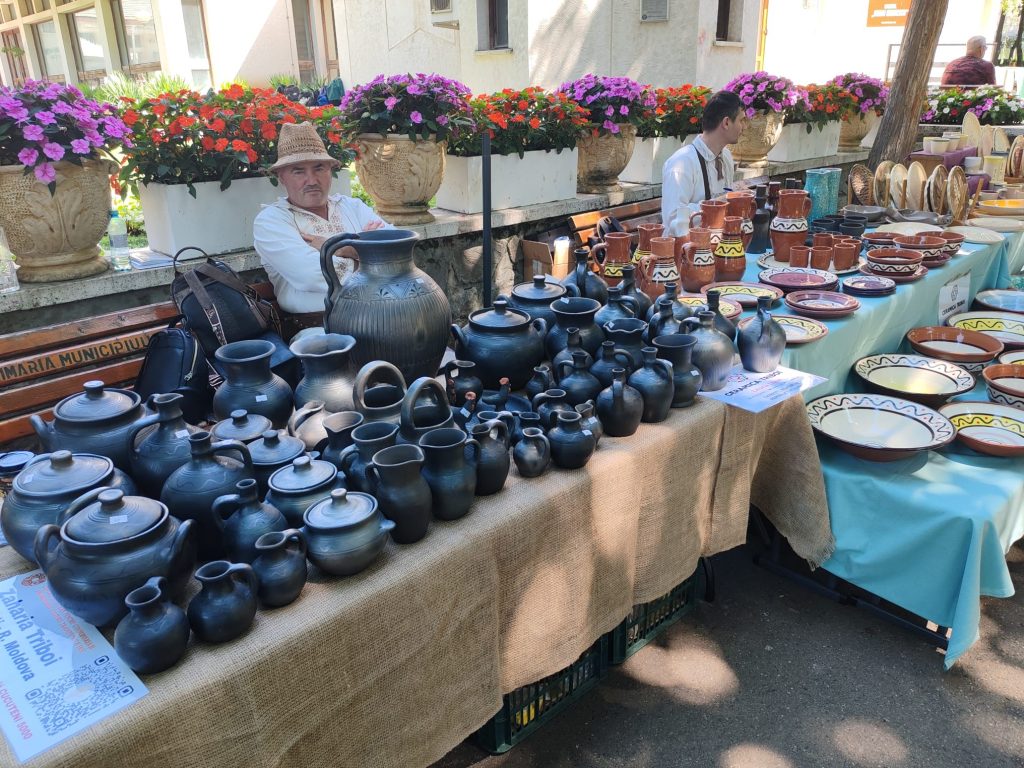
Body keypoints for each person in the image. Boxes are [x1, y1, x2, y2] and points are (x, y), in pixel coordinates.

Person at [253, 121, 388, 336]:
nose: (312, 180)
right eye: (298, 171)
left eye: (319, 168)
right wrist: (368, 251)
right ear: (281, 177)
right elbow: (312, 275)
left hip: (382, 317)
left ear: (330, 170)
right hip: (319, 333)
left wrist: (340, 248)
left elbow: (397, 249)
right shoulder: (272, 221)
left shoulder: (352, 206)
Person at [661, 90, 745, 237]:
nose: (744, 127)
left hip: (717, 242)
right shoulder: (682, 163)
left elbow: (726, 199)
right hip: (684, 247)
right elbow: (673, 219)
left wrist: (736, 196)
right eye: (741, 120)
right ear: (726, 122)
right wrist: (720, 202)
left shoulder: (726, 156)